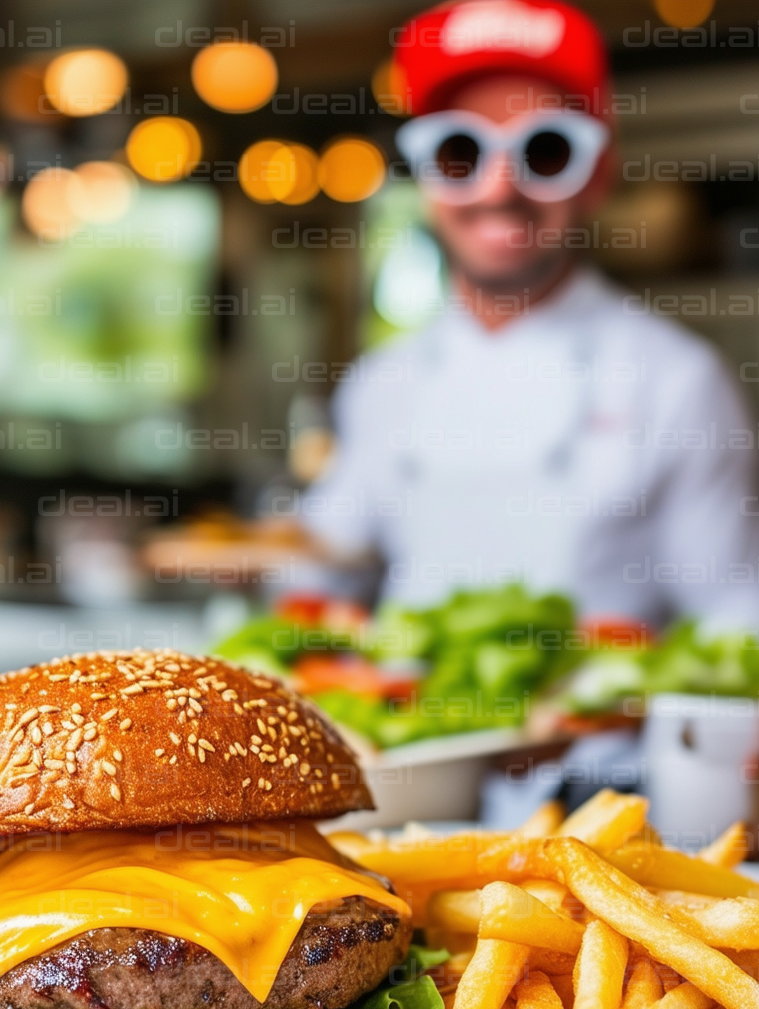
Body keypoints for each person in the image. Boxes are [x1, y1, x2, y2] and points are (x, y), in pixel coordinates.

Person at [302, 0, 759, 628]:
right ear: (428, 177)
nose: (498, 187)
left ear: (598, 172)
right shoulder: (382, 383)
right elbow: (316, 574)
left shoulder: (678, 381)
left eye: (544, 151)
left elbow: (734, 623)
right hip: (389, 724)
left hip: (606, 731)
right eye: (460, 151)